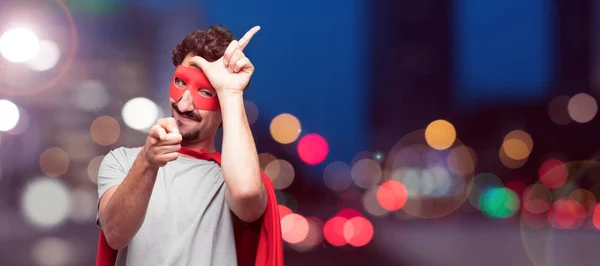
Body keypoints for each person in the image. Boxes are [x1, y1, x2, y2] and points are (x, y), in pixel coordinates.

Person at [95, 25, 283, 266]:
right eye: (181, 83)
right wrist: (148, 161)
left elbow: (246, 194)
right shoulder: (122, 162)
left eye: (205, 91)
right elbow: (115, 234)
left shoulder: (234, 179)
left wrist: (230, 91)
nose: (184, 105)